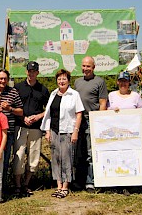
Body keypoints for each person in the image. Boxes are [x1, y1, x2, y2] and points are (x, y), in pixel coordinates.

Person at [41, 69, 84, 199]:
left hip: (68, 131)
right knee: (56, 159)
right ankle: (58, 185)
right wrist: (47, 131)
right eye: (59, 79)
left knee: (67, 159)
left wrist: (75, 131)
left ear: (68, 80)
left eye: (64, 79)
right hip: (54, 131)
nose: (61, 81)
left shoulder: (74, 94)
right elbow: (48, 114)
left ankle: (65, 186)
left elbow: (79, 114)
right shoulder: (53, 94)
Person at [13, 61, 49, 196]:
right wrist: (23, 118)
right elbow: (14, 107)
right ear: (26, 72)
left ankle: (26, 184)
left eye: (34, 71)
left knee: (34, 156)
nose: (31, 73)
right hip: (20, 126)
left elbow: (49, 109)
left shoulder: (43, 89)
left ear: (37, 73)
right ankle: (17, 185)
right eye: (29, 71)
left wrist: (39, 116)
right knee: (19, 155)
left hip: (36, 128)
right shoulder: (18, 88)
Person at [74, 56, 108, 192]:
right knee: (79, 153)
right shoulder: (77, 82)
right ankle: (79, 181)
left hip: (92, 120)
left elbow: (103, 103)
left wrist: (98, 122)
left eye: (88, 66)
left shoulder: (100, 82)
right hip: (78, 120)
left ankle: (91, 181)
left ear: (93, 67)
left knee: (90, 153)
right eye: (83, 66)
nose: (85, 68)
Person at [0, 70, 23, 193]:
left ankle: (2, 189)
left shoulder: (13, 92)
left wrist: (10, 109)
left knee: (4, 161)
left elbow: (21, 111)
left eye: (5, 79)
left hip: (7, 133)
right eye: (0, 78)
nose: (2, 81)